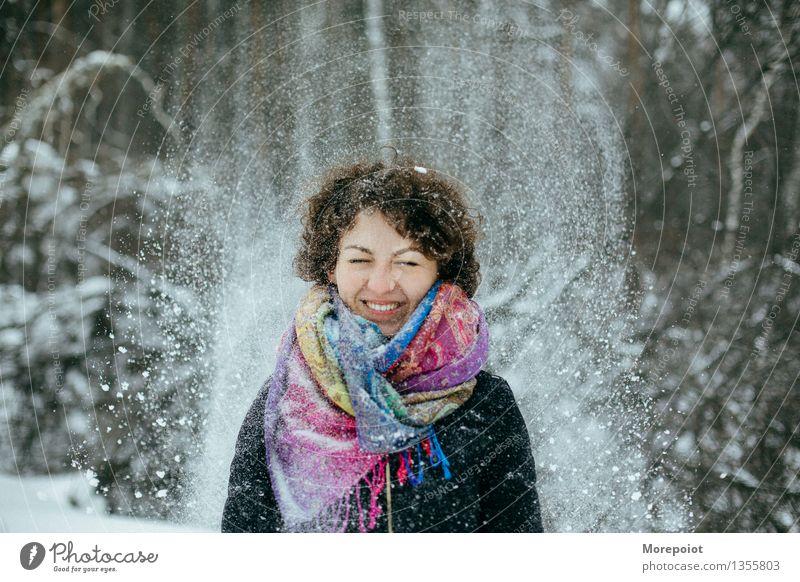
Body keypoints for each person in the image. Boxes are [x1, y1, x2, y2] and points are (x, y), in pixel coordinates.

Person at [221, 157, 543, 532]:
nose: (380, 284)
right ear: (331, 267)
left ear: (441, 272)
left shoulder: (486, 404)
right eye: (360, 259)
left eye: (406, 263)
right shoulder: (283, 401)